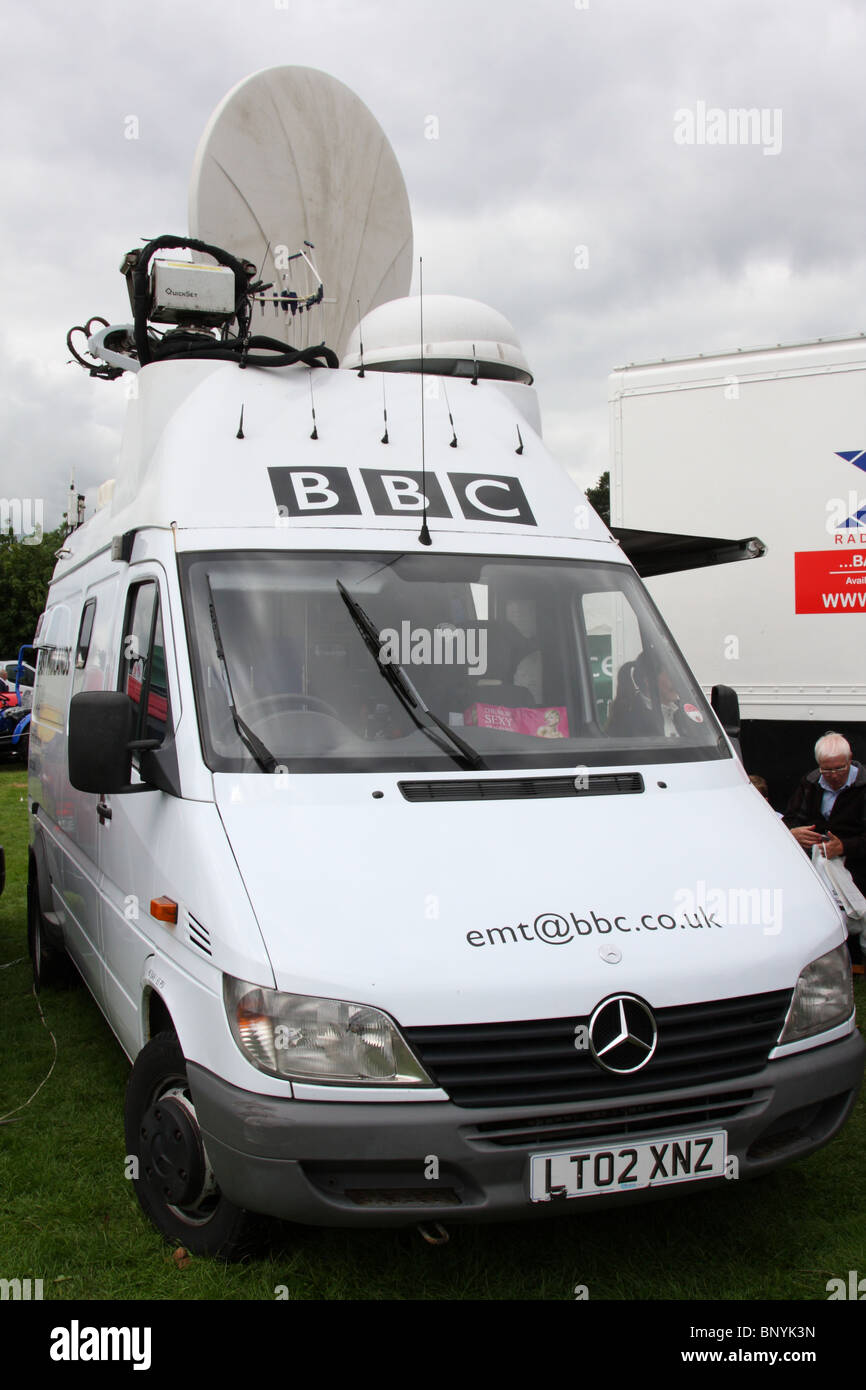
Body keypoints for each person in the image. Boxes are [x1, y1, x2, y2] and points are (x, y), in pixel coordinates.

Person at [783, 731, 866, 970]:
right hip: (818, 858)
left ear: (850, 760)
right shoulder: (810, 782)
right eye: (826, 770)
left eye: (839, 769)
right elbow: (790, 819)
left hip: (856, 861)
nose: (833, 776)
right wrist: (794, 834)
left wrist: (844, 846)